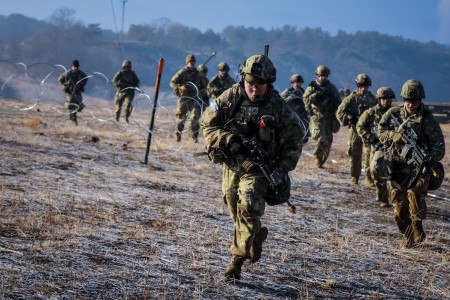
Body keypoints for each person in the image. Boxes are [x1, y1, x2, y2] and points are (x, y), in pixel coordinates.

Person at [201, 54, 302, 282]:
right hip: (233, 164)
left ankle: (235, 262)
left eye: (260, 85)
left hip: (259, 169)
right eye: (250, 84)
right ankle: (253, 237)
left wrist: (281, 168)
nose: (254, 89)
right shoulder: (231, 97)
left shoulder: (279, 107)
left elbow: (296, 138)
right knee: (233, 206)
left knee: (248, 207)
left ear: (269, 83)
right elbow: (208, 123)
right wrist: (227, 140)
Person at [377, 79, 445, 248]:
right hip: (398, 167)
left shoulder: (427, 120)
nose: (411, 104)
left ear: (420, 100)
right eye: (407, 100)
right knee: (399, 207)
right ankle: (407, 234)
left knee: (415, 194)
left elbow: (439, 147)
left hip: (419, 167)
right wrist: (394, 136)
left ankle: (417, 225)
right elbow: (380, 132)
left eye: (414, 101)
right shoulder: (393, 113)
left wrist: (428, 159)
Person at [356, 87, 395, 208]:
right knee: (376, 172)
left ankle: (397, 199)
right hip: (376, 147)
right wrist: (372, 139)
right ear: (378, 99)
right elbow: (360, 126)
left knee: (396, 174)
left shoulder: (396, 113)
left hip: (394, 148)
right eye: (382, 99)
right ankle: (383, 199)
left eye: (387, 99)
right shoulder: (371, 112)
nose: (385, 101)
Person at [336, 74, 377, 185]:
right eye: (361, 85)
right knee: (354, 153)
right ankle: (355, 176)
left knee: (369, 154)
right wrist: (349, 117)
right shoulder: (351, 99)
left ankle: (368, 177)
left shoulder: (372, 100)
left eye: (365, 86)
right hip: (354, 130)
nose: (363, 88)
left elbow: (378, 113)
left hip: (368, 130)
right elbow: (339, 112)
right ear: (358, 85)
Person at [303, 65, 341, 168]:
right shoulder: (312, 87)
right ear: (317, 75)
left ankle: (321, 161)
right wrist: (316, 95)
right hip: (316, 117)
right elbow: (305, 100)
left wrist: (332, 100)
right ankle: (317, 159)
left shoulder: (331, 88)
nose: (322, 78)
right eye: (320, 76)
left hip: (328, 118)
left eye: (324, 76)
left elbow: (339, 101)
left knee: (328, 142)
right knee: (321, 139)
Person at [170, 54, 207, 142]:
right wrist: (180, 87)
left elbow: (203, 85)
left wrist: (204, 91)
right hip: (184, 98)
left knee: (195, 119)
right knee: (181, 118)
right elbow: (172, 82)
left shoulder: (198, 73)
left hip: (195, 98)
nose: (192, 63)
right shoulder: (182, 72)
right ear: (187, 62)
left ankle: (194, 138)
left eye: (193, 61)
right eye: (190, 61)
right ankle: (177, 136)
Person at [280, 74, 310, 143]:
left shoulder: (304, 93)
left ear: (301, 83)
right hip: (289, 116)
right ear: (292, 83)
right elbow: (280, 101)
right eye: (294, 82)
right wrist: (290, 98)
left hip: (301, 117)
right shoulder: (287, 92)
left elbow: (308, 104)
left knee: (303, 137)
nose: (296, 84)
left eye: (298, 82)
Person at [58, 59, 88, 125]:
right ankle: (74, 120)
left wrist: (82, 83)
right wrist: (66, 83)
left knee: (80, 106)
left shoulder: (81, 73)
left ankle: (74, 118)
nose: (76, 68)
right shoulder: (68, 73)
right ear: (72, 66)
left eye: (77, 67)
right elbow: (60, 79)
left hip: (78, 92)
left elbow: (86, 78)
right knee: (72, 106)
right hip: (70, 92)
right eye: (75, 67)